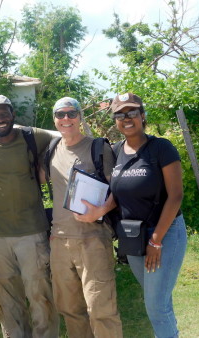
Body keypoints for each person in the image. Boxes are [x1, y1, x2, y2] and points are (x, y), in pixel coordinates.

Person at [81, 92, 187, 338]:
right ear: (115, 120)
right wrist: (101, 210)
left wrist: (156, 240)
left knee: (156, 306)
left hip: (165, 233)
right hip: (134, 238)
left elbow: (176, 196)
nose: (126, 118)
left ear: (142, 116)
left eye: (132, 113)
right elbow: (116, 194)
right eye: (120, 114)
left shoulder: (161, 148)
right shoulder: (115, 151)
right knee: (158, 300)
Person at [0, 95, 59, 338]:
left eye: (4, 113)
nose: (0, 118)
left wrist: (43, 167)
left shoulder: (33, 136)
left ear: (13, 115)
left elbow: (62, 139)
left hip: (33, 233)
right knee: (5, 299)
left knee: (40, 296)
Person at [45, 97, 123, 337]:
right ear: (55, 119)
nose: (66, 119)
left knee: (101, 309)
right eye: (60, 114)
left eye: (71, 113)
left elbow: (120, 190)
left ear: (80, 117)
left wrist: (101, 211)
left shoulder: (97, 148)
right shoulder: (51, 149)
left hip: (93, 239)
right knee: (69, 309)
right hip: (59, 241)